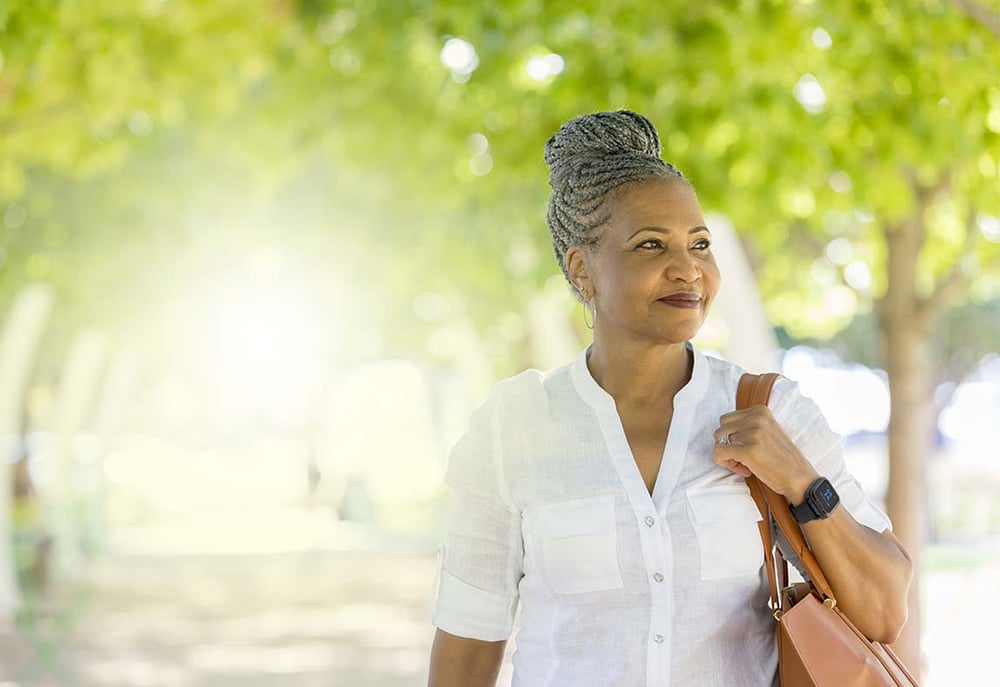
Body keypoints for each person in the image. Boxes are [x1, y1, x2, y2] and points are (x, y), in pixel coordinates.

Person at [427, 110, 912, 687]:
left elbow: (884, 611)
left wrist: (803, 483)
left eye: (700, 244)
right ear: (583, 270)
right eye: (650, 245)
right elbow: (465, 646)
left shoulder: (771, 410)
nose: (687, 269)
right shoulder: (513, 428)